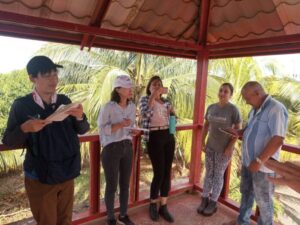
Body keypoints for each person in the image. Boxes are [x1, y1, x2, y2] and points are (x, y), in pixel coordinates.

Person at [2, 55, 90, 225]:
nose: (53, 79)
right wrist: (25, 128)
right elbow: (8, 140)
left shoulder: (64, 101)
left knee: (65, 220)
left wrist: (80, 117)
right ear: (32, 78)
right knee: (46, 221)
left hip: (66, 172)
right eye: (47, 75)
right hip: (40, 175)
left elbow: (83, 129)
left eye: (55, 74)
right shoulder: (22, 105)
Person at [225, 81, 288, 225]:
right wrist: (238, 132)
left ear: (258, 93)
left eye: (247, 98)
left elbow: (278, 139)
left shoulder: (275, 109)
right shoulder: (254, 109)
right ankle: (242, 222)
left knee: (264, 202)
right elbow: (249, 130)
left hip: (263, 167)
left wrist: (259, 161)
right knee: (246, 194)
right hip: (248, 163)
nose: (247, 102)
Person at [98, 75, 138, 225]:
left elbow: (130, 127)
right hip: (111, 149)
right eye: (128, 88)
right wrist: (120, 125)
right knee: (112, 185)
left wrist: (132, 131)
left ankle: (123, 214)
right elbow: (102, 129)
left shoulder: (132, 107)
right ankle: (110, 218)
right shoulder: (108, 107)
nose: (130, 90)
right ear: (118, 89)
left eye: (131, 88)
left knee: (125, 184)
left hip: (127, 147)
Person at [197, 83, 242, 216]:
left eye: (226, 92)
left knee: (218, 175)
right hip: (210, 147)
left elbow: (238, 131)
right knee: (208, 173)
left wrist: (229, 147)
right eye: (221, 90)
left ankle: (213, 202)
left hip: (224, 150)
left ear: (230, 95)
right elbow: (206, 125)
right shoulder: (211, 107)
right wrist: (202, 141)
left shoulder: (233, 110)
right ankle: (204, 199)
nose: (222, 93)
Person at [139, 75, 176, 223]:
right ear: (149, 87)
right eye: (154, 84)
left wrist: (172, 113)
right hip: (154, 136)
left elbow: (172, 121)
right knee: (158, 172)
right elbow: (145, 114)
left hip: (168, 135)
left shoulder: (166, 102)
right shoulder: (144, 100)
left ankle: (164, 206)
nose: (157, 86)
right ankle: (153, 204)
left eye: (159, 84)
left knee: (167, 172)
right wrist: (153, 96)